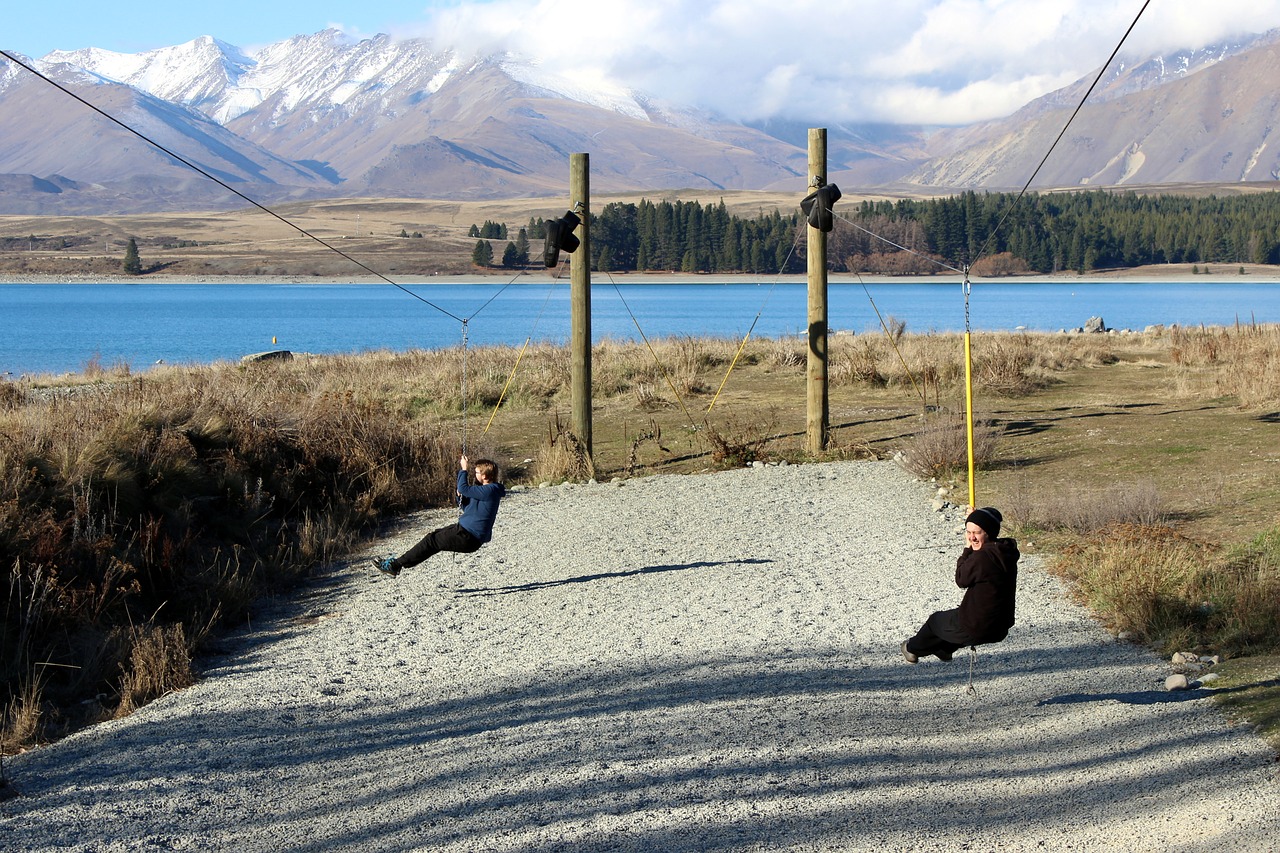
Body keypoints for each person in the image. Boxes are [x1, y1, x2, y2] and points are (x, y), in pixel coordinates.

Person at [902, 506, 1018, 663]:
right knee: (952, 622)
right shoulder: (1006, 552)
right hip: (1000, 628)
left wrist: (967, 550)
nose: (972, 537)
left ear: (989, 532)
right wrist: (975, 519)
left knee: (935, 622)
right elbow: (986, 535)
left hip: (977, 627)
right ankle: (944, 650)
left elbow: (961, 579)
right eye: (969, 532)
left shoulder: (982, 558)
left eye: (977, 533)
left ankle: (912, 649)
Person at [373, 455, 505, 577]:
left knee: (431, 541)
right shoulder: (485, 490)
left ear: (485, 476)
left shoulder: (490, 490)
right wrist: (460, 497)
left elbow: (464, 488)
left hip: (469, 537)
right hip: (465, 532)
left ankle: (395, 566)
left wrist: (463, 469)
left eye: (477, 473)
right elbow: (467, 507)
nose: (474, 475)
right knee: (432, 538)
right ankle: (396, 565)